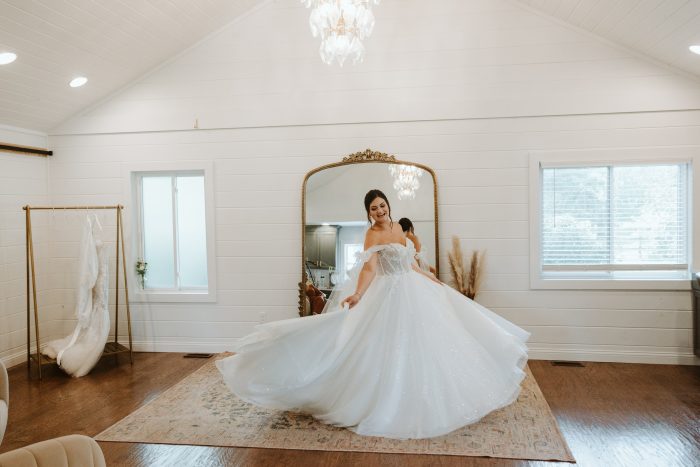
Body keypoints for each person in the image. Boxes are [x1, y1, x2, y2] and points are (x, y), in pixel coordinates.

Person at [216, 189, 529, 439]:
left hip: (413, 288)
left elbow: (410, 264)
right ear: (368, 213)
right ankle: (385, 400)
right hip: (389, 293)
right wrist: (358, 293)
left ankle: (422, 396)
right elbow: (369, 267)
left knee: (430, 343)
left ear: (388, 205)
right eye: (373, 209)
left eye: (382, 206)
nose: (379, 212)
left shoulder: (398, 229)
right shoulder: (373, 235)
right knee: (384, 347)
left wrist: (431, 279)